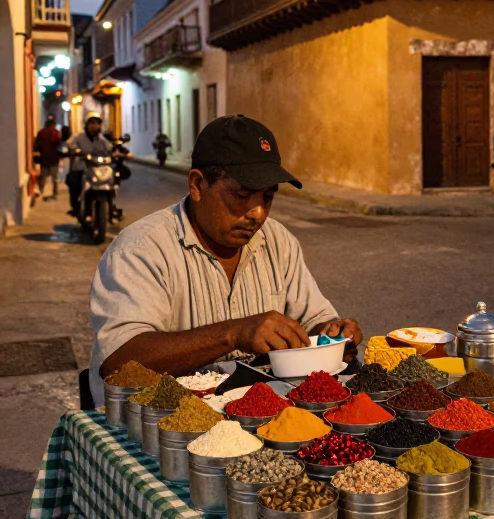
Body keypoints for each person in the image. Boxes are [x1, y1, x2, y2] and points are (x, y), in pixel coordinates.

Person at [89, 114, 363, 407]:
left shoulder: (278, 242)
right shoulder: (141, 249)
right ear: (197, 185)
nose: (257, 213)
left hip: (260, 413)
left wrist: (334, 335)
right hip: (165, 421)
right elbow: (117, 365)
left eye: (267, 197)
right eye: (241, 195)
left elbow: (315, 320)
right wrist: (234, 333)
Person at [67, 112, 113, 216]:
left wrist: (120, 151)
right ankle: (76, 206)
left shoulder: (102, 140)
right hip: (83, 167)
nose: (94, 125)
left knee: (113, 178)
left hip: (99, 168)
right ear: (87, 124)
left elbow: (110, 148)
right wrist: (73, 149)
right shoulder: (79, 137)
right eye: (92, 123)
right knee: (74, 182)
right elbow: (69, 144)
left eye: (97, 123)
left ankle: (111, 206)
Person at [34, 114, 62, 200]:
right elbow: (59, 145)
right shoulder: (55, 133)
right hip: (49, 159)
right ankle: (52, 192)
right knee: (52, 177)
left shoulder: (42, 133)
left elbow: (36, 145)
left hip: (47, 159)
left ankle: (45, 191)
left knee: (47, 177)